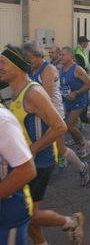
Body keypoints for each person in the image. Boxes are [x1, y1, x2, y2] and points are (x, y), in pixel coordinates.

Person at [0, 45, 85, 245]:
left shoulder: (33, 92)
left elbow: (59, 126)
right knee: (25, 215)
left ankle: (70, 221)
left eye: (3, 63)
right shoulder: (16, 91)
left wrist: (31, 150)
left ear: (17, 66)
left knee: (27, 213)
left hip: (39, 161)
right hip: (27, 160)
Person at [23, 40, 90, 184]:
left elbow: (46, 97)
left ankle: (83, 166)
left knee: (59, 149)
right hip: (39, 114)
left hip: (53, 114)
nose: (28, 61)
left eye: (30, 57)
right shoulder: (32, 69)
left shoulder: (48, 69)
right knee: (41, 147)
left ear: (38, 54)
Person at [0, 105, 36, 245]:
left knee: (37, 215)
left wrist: (33, 149)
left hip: (7, 215)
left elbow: (26, 171)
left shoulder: (3, 119)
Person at [59, 46, 90, 158]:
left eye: (63, 55)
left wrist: (76, 92)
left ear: (71, 56)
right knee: (71, 126)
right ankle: (80, 145)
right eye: (60, 54)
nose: (61, 57)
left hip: (79, 100)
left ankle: (85, 143)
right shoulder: (61, 69)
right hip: (68, 101)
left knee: (68, 125)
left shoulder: (77, 69)